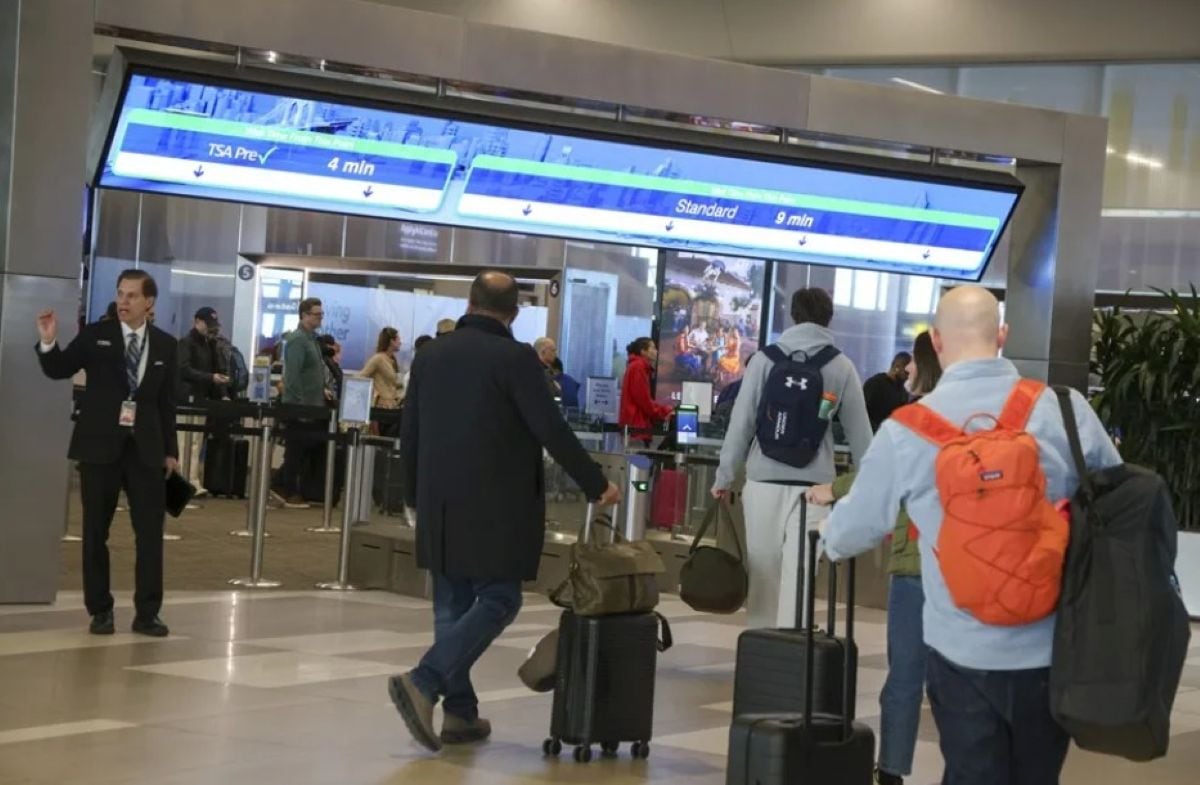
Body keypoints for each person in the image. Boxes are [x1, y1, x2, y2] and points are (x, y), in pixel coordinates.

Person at [819, 287, 1122, 785]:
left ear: (936, 342)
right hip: (1048, 650)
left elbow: (855, 530)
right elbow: (1116, 497)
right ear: (1002, 335)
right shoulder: (1064, 410)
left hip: (960, 650)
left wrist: (827, 534)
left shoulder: (907, 429)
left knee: (970, 770)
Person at [390, 271, 620, 753]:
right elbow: (550, 429)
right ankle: (424, 680)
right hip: (495, 502)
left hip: (438, 500)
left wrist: (411, 495)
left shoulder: (431, 355)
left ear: (469, 303)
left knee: (451, 604)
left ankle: (460, 714)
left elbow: (410, 432)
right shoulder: (515, 359)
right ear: (514, 313)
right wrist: (596, 483)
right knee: (500, 598)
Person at [806, 330, 939, 785]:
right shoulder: (983, 417)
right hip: (973, 565)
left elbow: (877, 478)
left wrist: (831, 492)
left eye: (914, 361)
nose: (908, 368)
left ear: (928, 363)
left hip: (916, 562)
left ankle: (892, 772)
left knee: (905, 676)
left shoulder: (912, 421)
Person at [711, 287, 873, 629]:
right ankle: (792, 646)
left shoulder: (764, 360)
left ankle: (761, 645)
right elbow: (861, 434)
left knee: (763, 570)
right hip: (816, 487)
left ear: (793, 315)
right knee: (800, 572)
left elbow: (741, 423)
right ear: (829, 318)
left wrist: (724, 476)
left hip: (763, 481)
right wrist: (866, 488)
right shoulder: (841, 365)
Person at [35, 269, 178, 638]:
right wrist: (48, 342)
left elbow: (166, 403)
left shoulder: (166, 345)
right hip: (99, 448)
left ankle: (148, 613)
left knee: (150, 535)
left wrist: (171, 451)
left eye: (132, 295)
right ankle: (100, 610)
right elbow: (59, 369)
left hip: (145, 451)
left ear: (149, 302)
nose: (123, 301)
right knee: (96, 532)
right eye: (120, 293)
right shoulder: (96, 336)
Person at [271, 298, 326, 509]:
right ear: (304, 315)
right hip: (300, 406)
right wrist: (299, 406)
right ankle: (287, 489)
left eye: (321, 314)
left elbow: (311, 373)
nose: (320, 318)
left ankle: (283, 485)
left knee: (305, 448)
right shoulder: (297, 340)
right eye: (316, 314)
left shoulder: (312, 340)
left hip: (314, 405)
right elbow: (292, 376)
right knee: (296, 450)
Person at [178, 307, 229, 494]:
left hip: (201, 398)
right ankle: (183, 481)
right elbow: (183, 369)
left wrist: (221, 391)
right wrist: (210, 378)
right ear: (197, 321)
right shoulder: (186, 343)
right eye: (208, 324)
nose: (210, 328)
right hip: (186, 399)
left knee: (196, 442)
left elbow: (213, 368)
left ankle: (193, 479)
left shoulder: (209, 344)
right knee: (184, 442)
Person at [619, 337, 673, 444]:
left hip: (635, 426)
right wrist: (664, 411)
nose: (656, 351)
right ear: (643, 351)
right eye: (653, 348)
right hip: (636, 428)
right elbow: (643, 400)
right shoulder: (638, 367)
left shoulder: (637, 366)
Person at [863, 351, 913, 432]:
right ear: (897, 367)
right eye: (906, 373)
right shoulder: (875, 384)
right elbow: (862, 412)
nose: (908, 377)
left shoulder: (903, 391)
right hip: (872, 433)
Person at [361, 327, 405, 409]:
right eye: (398, 339)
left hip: (392, 405)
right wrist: (374, 393)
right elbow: (361, 376)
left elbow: (394, 383)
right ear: (391, 341)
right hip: (381, 406)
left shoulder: (392, 360)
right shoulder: (378, 359)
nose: (400, 342)